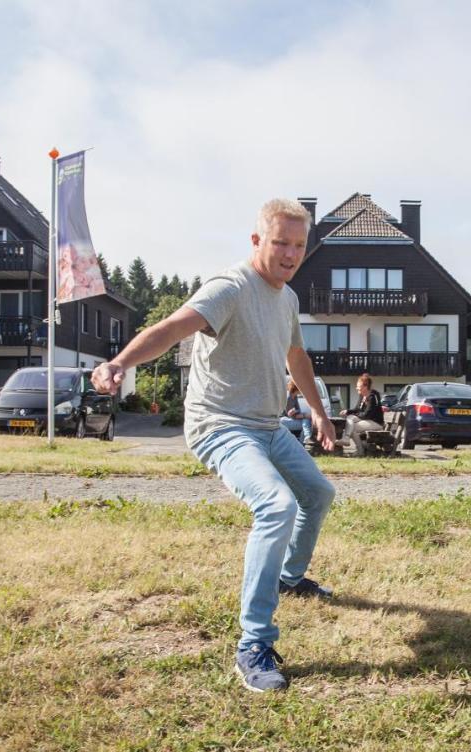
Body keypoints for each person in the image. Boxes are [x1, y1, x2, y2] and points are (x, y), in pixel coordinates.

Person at [92, 198, 337, 693]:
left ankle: (288, 576)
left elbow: (296, 357)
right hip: (220, 425)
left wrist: (317, 409)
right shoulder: (231, 287)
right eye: (280, 243)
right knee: (276, 504)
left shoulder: (286, 298)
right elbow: (171, 328)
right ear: (256, 241)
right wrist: (120, 362)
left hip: (268, 427)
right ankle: (254, 642)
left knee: (317, 494)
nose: (290, 254)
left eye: (298, 245)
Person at [341, 372, 384, 456]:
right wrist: (348, 411)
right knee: (350, 419)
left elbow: (368, 414)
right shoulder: (362, 395)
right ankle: (348, 440)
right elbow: (357, 409)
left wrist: (355, 416)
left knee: (351, 427)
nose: (356, 388)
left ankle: (360, 451)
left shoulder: (373, 396)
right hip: (367, 419)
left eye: (358, 386)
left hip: (376, 422)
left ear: (365, 386)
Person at [280, 379, 312, 445]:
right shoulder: (288, 398)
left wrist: (303, 415)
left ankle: (305, 440)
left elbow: (298, 411)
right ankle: (305, 440)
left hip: (290, 419)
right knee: (306, 422)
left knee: (306, 422)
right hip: (283, 421)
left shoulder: (295, 397)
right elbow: (291, 415)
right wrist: (305, 415)